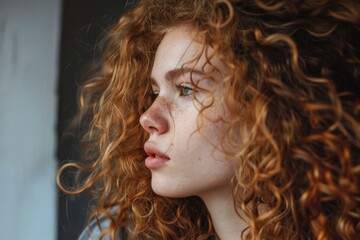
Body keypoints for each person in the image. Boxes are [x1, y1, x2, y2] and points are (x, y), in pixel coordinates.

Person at [57, 0, 360, 239]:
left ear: (269, 107)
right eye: (154, 92)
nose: (148, 118)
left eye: (186, 89)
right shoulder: (114, 234)